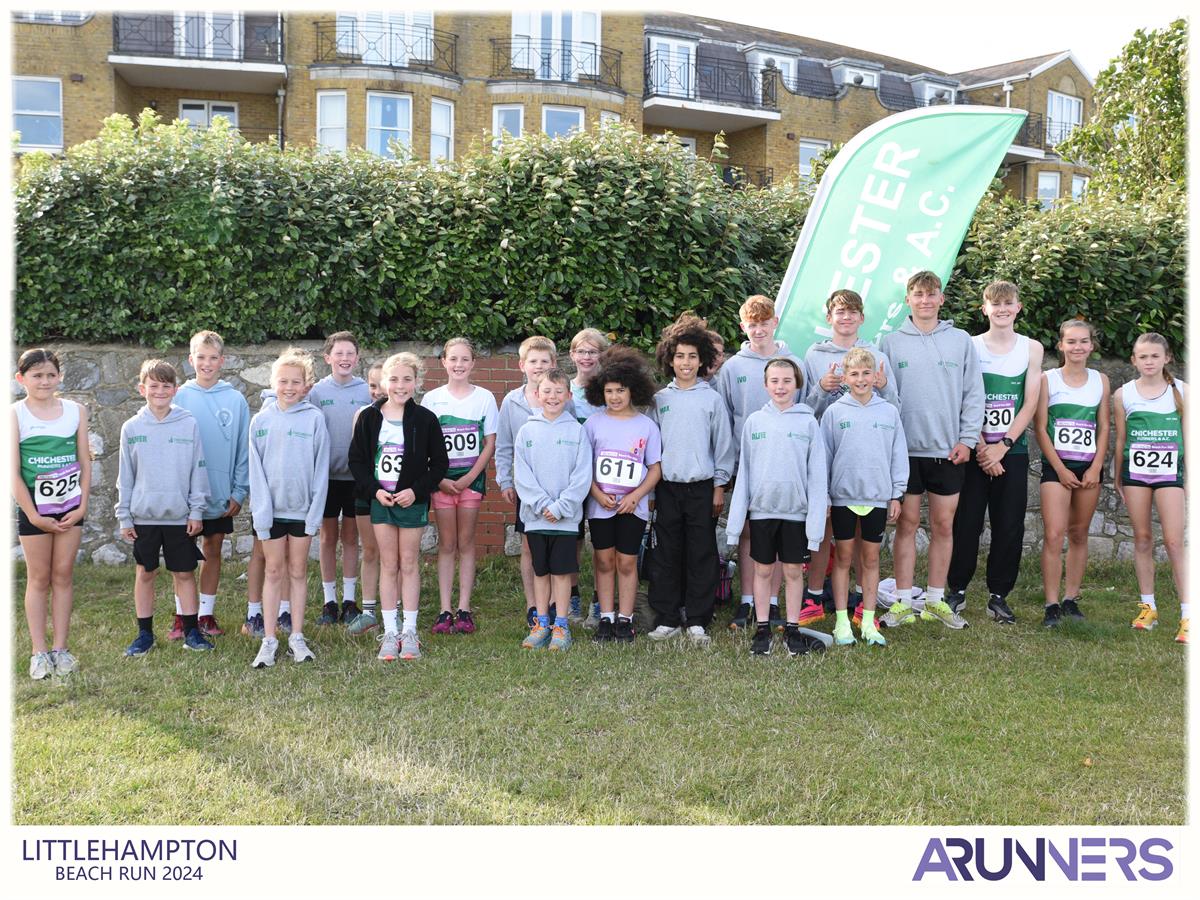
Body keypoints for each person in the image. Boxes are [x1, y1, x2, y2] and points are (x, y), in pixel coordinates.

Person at [879, 271, 983, 630]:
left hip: (948, 450)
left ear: (941, 299)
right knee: (906, 525)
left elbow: (973, 393)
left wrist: (968, 439)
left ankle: (937, 601)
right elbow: (884, 399)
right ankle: (903, 602)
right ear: (908, 299)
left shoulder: (960, 340)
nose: (925, 300)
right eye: (918, 294)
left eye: (931, 294)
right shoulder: (890, 343)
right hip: (905, 452)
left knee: (942, 525)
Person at [947, 281, 1044, 624]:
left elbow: (1030, 402)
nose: (1002, 309)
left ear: (1018, 307)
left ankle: (999, 595)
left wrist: (1001, 448)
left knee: (1009, 525)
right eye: (995, 304)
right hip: (974, 450)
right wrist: (979, 448)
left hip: (1010, 451)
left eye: (1009, 303)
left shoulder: (1032, 348)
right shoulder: (969, 346)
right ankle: (956, 590)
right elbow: (961, 398)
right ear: (984, 309)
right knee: (966, 523)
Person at [801, 288, 899, 623]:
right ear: (829, 317)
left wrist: (884, 386)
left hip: (863, 461)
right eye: (839, 312)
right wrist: (821, 388)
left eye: (852, 312)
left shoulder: (875, 353)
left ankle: (860, 601)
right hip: (824, 455)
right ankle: (813, 596)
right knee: (823, 528)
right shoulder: (813, 355)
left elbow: (893, 409)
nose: (846, 317)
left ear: (861, 318)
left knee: (860, 537)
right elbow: (803, 410)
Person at [349, 352, 448, 662]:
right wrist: (375, 491)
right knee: (387, 563)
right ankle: (390, 632)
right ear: (383, 382)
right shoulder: (369, 417)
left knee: (409, 562)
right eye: (394, 379)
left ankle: (410, 631)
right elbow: (358, 461)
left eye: (407, 379)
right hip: (382, 501)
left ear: (416, 382)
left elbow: (439, 464)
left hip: (411, 502)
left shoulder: (425, 419)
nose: (400, 385)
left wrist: (414, 490)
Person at [726, 358, 828, 657]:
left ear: (797, 384)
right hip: (762, 513)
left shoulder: (808, 422)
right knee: (763, 569)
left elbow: (817, 474)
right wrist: (735, 524)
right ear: (765, 385)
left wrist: (815, 522)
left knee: (793, 571)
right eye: (774, 381)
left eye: (787, 381)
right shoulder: (755, 422)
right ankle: (762, 628)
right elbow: (744, 472)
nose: (781, 387)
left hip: (795, 514)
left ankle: (793, 629)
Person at [716, 295, 802, 630]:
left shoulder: (793, 362)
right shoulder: (733, 367)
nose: (759, 329)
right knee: (751, 532)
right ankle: (749, 599)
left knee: (780, 531)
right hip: (745, 464)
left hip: (783, 464)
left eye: (765, 323)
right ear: (743, 327)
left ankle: (775, 601)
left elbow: (803, 409)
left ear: (775, 322)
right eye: (753, 324)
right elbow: (724, 418)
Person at [647, 315, 734, 646]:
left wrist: (718, 486)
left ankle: (698, 617)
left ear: (703, 361)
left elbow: (723, 446)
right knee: (666, 552)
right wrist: (653, 489)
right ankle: (668, 616)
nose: (686, 362)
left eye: (693, 356)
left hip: (702, 488)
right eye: (680, 356)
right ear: (670, 359)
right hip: (667, 487)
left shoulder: (711, 399)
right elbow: (653, 447)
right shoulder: (661, 400)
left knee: (701, 552)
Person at [117, 360, 212, 657]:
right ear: (141, 388)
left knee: (184, 574)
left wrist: (196, 510)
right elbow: (126, 475)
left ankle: (192, 631)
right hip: (144, 516)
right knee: (145, 573)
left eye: (166, 385)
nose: (159, 391)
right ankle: (144, 635)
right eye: (153, 385)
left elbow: (199, 469)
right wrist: (125, 515)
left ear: (176, 389)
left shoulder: (188, 423)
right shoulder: (131, 428)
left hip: (179, 516)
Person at [820, 348, 907, 647]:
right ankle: (842, 622)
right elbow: (825, 457)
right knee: (843, 557)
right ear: (845, 378)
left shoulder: (888, 412)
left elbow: (898, 455)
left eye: (866, 373)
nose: (860, 379)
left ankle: (868, 621)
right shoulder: (834, 412)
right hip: (843, 497)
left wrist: (896, 493)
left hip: (878, 496)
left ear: (876, 376)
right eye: (854, 374)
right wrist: (826, 496)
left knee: (870, 559)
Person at [248, 349, 329, 668]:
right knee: (273, 570)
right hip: (270, 514)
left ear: (307, 385)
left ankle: (296, 635)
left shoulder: (314, 419)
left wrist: (314, 515)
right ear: (273, 383)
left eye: (296, 381)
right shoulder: (261, 420)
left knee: (297, 571)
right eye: (283, 381)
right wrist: (262, 514)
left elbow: (321, 470)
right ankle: (269, 639)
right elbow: (255, 471)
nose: (290, 387)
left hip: (302, 513)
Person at [13, 348, 90, 679]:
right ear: (21, 379)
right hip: (34, 509)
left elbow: (85, 461)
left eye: (50, 374)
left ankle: (61, 648)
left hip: (71, 505)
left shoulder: (76, 411)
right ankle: (38, 652)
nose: (44, 381)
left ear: (59, 376)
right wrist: (32, 515)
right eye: (36, 375)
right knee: (39, 577)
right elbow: (12, 472)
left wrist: (83, 505)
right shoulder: (14, 414)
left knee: (63, 575)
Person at [172, 330, 250, 640]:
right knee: (183, 555)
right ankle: (182, 615)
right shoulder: (178, 396)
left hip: (220, 492)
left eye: (213, 357)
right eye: (201, 357)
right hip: (185, 494)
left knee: (213, 549)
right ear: (191, 360)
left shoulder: (234, 399)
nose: (207, 363)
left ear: (223, 360)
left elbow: (243, 448)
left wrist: (239, 490)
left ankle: (205, 613)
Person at [585, 347, 662, 643]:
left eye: (620, 390)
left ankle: (625, 619)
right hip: (601, 504)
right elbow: (584, 466)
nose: (615, 397)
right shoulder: (593, 424)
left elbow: (655, 468)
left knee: (627, 562)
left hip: (634, 506)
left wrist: (636, 496)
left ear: (633, 390)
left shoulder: (646, 426)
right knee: (604, 560)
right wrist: (596, 493)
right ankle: (606, 617)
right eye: (609, 391)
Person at [1035, 319, 1109, 627]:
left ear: (1091, 345)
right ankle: (1051, 603)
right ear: (1061, 345)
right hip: (1057, 466)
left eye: (1083, 341)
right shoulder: (1047, 380)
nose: (1077, 347)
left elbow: (1104, 426)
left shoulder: (1101, 380)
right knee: (1054, 534)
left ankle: (1070, 599)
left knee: (1079, 533)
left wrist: (1095, 466)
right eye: (1071, 341)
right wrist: (1060, 469)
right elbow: (1040, 427)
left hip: (1089, 466)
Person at [422, 338, 498, 635]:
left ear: (473, 363)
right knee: (447, 544)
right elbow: (425, 445)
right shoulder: (432, 399)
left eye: (464, 359)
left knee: (466, 543)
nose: (458, 365)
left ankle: (464, 608)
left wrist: (468, 478)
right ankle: (444, 609)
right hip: (441, 483)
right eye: (453, 359)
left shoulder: (485, 398)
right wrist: (439, 479)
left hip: (471, 481)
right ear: (444, 361)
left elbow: (489, 443)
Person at [1114, 332, 1187, 643]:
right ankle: (1148, 608)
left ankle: (1188, 615)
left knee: (1173, 542)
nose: (1148, 361)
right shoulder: (1123, 395)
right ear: (1134, 360)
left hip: (1171, 475)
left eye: (1155, 356)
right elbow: (1120, 440)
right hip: (1136, 475)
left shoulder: (1183, 391)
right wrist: (1117, 476)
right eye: (1142, 357)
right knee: (1142, 539)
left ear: (1167, 358)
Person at [514, 368, 593, 652]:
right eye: (547, 391)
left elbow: (582, 475)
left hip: (565, 520)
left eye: (559, 392)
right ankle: (542, 622)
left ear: (569, 396)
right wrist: (541, 504)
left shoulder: (577, 431)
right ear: (537, 394)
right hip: (536, 519)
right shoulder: (527, 430)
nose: (552, 397)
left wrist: (560, 507)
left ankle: (561, 624)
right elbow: (522, 475)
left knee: (562, 573)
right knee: (541, 572)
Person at [495, 336, 566, 626]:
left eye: (544, 361)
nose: (538, 366)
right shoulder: (512, 402)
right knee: (529, 546)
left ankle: (555, 603)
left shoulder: (560, 398)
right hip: (527, 489)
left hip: (558, 490)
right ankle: (533, 605)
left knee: (556, 546)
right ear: (522, 365)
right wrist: (505, 481)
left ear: (554, 364)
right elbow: (504, 446)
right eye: (533, 361)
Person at [309, 331, 371, 627]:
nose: (345, 358)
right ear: (328, 358)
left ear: (357, 358)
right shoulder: (317, 392)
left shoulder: (366, 391)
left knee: (350, 537)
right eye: (339, 353)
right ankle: (329, 601)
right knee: (327, 537)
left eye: (350, 353)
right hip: (327, 477)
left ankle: (349, 601)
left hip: (356, 477)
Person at [569, 327, 610, 626]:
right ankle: (571, 599)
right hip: (569, 477)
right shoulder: (563, 390)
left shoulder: (610, 391)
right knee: (572, 541)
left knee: (601, 543)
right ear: (572, 355)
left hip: (603, 479)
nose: (586, 357)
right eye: (581, 351)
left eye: (593, 351)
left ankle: (599, 601)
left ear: (602, 355)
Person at [346, 363, 385, 636]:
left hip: (396, 493)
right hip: (367, 492)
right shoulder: (362, 414)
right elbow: (357, 458)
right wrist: (371, 487)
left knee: (393, 556)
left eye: (382, 384)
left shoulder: (409, 415)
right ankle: (369, 611)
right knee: (370, 550)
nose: (377, 391)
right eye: (372, 385)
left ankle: (395, 609)